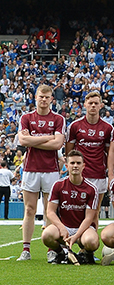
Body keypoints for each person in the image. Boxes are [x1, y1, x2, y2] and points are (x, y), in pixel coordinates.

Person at [17, 84, 66, 262]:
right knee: (29, 210)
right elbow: (23, 140)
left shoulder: (59, 119)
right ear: (35, 98)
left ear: (52, 99)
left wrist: (33, 140)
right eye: (41, 96)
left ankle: (50, 249)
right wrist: (48, 137)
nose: (44, 100)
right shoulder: (26, 117)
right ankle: (26, 249)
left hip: (51, 170)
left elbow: (58, 144)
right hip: (30, 169)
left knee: (49, 210)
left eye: (47, 97)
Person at [42, 150, 100, 264]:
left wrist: (76, 235)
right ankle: (60, 254)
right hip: (65, 227)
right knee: (46, 235)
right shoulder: (58, 185)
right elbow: (50, 212)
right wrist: (62, 228)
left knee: (91, 242)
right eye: (72, 163)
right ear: (67, 166)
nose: (75, 166)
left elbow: (89, 218)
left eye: (78, 163)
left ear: (83, 166)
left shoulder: (91, 188)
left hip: (84, 229)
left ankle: (86, 254)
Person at [65, 91, 113, 223]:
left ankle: (91, 242)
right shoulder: (74, 126)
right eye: (90, 103)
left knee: (94, 212)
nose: (93, 106)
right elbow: (69, 152)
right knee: (74, 209)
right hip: (79, 175)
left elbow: (110, 153)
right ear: (85, 104)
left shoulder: (108, 128)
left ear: (101, 105)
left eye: (96, 103)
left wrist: (110, 174)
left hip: (98, 174)